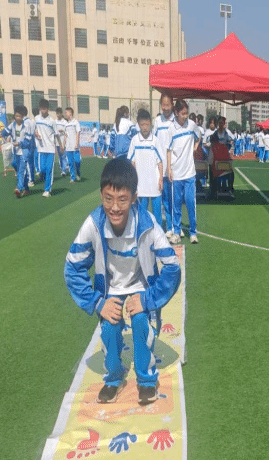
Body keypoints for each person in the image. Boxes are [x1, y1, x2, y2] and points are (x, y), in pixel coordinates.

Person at [64, 158, 181, 405]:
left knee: (140, 320)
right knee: (110, 324)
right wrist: (97, 303)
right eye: (108, 199)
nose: (115, 207)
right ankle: (114, 377)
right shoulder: (93, 224)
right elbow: (72, 268)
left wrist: (148, 299)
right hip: (111, 287)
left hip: (141, 286)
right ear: (100, 195)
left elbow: (172, 267)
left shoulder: (147, 223)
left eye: (122, 200)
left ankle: (146, 380)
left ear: (134, 198)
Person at [167, 99, 200, 244]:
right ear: (176, 112)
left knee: (190, 202)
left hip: (190, 173)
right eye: (183, 113)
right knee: (177, 204)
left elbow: (199, 136)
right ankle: (176, 232)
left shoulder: (191, 125)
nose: (185, 116)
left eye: (186, 113)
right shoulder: (171, 128)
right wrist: (169, 168)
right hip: (176, 173)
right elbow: (168, 150)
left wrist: (195, 147)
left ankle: (193, 232)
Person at [128, 108, 164, 224]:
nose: (144, 127)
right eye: (142, 125)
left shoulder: (155, 141)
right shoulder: (135, 140)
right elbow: (132, 162)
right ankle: (142, 233)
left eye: (147, 125)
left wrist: (161, 179)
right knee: (141, 213)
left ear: (150, 124)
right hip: (141, 185)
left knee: (157, 214)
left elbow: (160, 162)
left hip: (154, 184)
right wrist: (133, 181)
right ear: (138, 124)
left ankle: (159, 233)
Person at [154, 93, 177, 232]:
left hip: (173, 167)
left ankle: (172, 226)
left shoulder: (176, 121)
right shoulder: (157, 121)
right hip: (160, 167)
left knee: (172, 199)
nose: (165, 108)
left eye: (168, 105)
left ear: (172, 105)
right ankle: (164, 227)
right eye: (163, 105)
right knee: (161, 199)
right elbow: (154, 142)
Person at [4, 106, 33, 197]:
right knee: (14, 164)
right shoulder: (12, 125)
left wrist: (19, 143)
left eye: (19, 116)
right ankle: (26, 188)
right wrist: (2, 135)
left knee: (21, 170)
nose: (17, 118)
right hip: (15, 152)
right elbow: (5, 132)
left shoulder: (26, 126)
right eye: (16, 116)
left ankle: (19, 188)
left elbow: (28, 141)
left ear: (23, 116)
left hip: (24, 151)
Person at [33, 99, 58, 197]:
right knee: (42, 170)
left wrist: (60, 146)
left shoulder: (52, 121)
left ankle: (47, 190)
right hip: (41, 149)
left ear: (48, 109)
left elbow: (56, 134)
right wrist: (36, 133)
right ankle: (44, 180)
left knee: (49, 170)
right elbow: (33, 129)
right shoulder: (36, 119)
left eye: (44, 109)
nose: (43, 111)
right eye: (41, 109)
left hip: (50, 149)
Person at [208, 132, 235, 199]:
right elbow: (229, 159)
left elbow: (210, 161)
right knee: (231, 172)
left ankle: (213, 190)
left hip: (216, 172)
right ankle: (229, 188)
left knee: (211, 169)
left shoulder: (212, 148)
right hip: (227, 172)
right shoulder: (224, 147)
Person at [63, 107, 82, 183]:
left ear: (70, 113)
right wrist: (63, 145)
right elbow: (65, 135)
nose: (65, 114)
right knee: (70, 163)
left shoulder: (76, 122)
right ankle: (72, 177)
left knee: (77, 161)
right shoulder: (66, 124)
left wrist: (76, 143)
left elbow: (78, 133)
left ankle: (78, 173)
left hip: (75, 147)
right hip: (68, 147)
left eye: (66, 112)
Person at [55, 107, 69, 176]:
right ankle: (62, 168)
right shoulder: (55, 122)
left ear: (61, 114)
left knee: (63, 156)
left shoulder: (65, 122)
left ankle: (64, 170)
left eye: (59, 113)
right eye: (57, 114)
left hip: (63, 141)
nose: (58, 115)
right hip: (57, 142)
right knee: (60, 157)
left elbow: (67, 132)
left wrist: (62, 131)